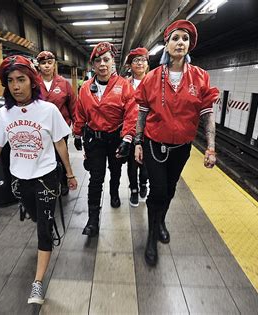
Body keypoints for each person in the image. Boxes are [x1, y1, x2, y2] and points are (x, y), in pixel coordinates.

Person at [0, 55, 78, 304]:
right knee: (36, 216)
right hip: (19, 181)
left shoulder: (48, 110)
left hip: (46, 178)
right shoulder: (4, 113)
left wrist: (70, 174)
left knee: (43, 229)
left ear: (32, 81)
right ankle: (44, 223)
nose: (16, 86)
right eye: (10, 81)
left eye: (21, 79)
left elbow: (60, 143)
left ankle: (37, 283)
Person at [133, 20, 219, 266]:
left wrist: (210, 147)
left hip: (181, 147)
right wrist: (138, 141)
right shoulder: (152, 77)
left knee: (170, 190)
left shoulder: (200, 77)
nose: (180, 42)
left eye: (185, 39)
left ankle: (161, 222)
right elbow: (142, 110)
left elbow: (207, 113)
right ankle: (151, 237)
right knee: (157, 190)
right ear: (167, 44)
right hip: (153, 143)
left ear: (189, 45)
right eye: (175, 38)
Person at [73, 42, 137, 237]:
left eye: (106, 60)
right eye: (98, 60)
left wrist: (127, 138)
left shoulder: (124, 86)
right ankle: (92, 220)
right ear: (93, 65)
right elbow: (81, 113)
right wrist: (77, 133)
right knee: (95, 178)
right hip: (95, 140)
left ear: (113, 63)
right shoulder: (85, 88)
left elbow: (131, 113)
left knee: (116, 170)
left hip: (116, 138)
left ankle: (115, 192)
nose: (102, 64)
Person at [37, 50, 76, 196]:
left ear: (54, 64)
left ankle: (63, 182)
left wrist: (76, 128)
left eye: (49, 62)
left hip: (60, 128)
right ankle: (47, 183)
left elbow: (73, 106)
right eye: (43, 63)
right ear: (39, 66)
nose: (46, 66)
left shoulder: (64, 84)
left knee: (60, 156)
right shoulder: (33, 83)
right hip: (40, 130)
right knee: (45, 157)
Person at [124, 47, 150, 207]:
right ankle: (133, 189)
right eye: (136, 60)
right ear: (130, 65)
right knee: (132, 164)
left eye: (143, 60)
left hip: (149, 131)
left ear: (147, 64)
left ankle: (143, 184)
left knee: (145, 163)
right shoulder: (124, 84)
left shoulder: (154, 81)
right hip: (129, 131)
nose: (140, 63)